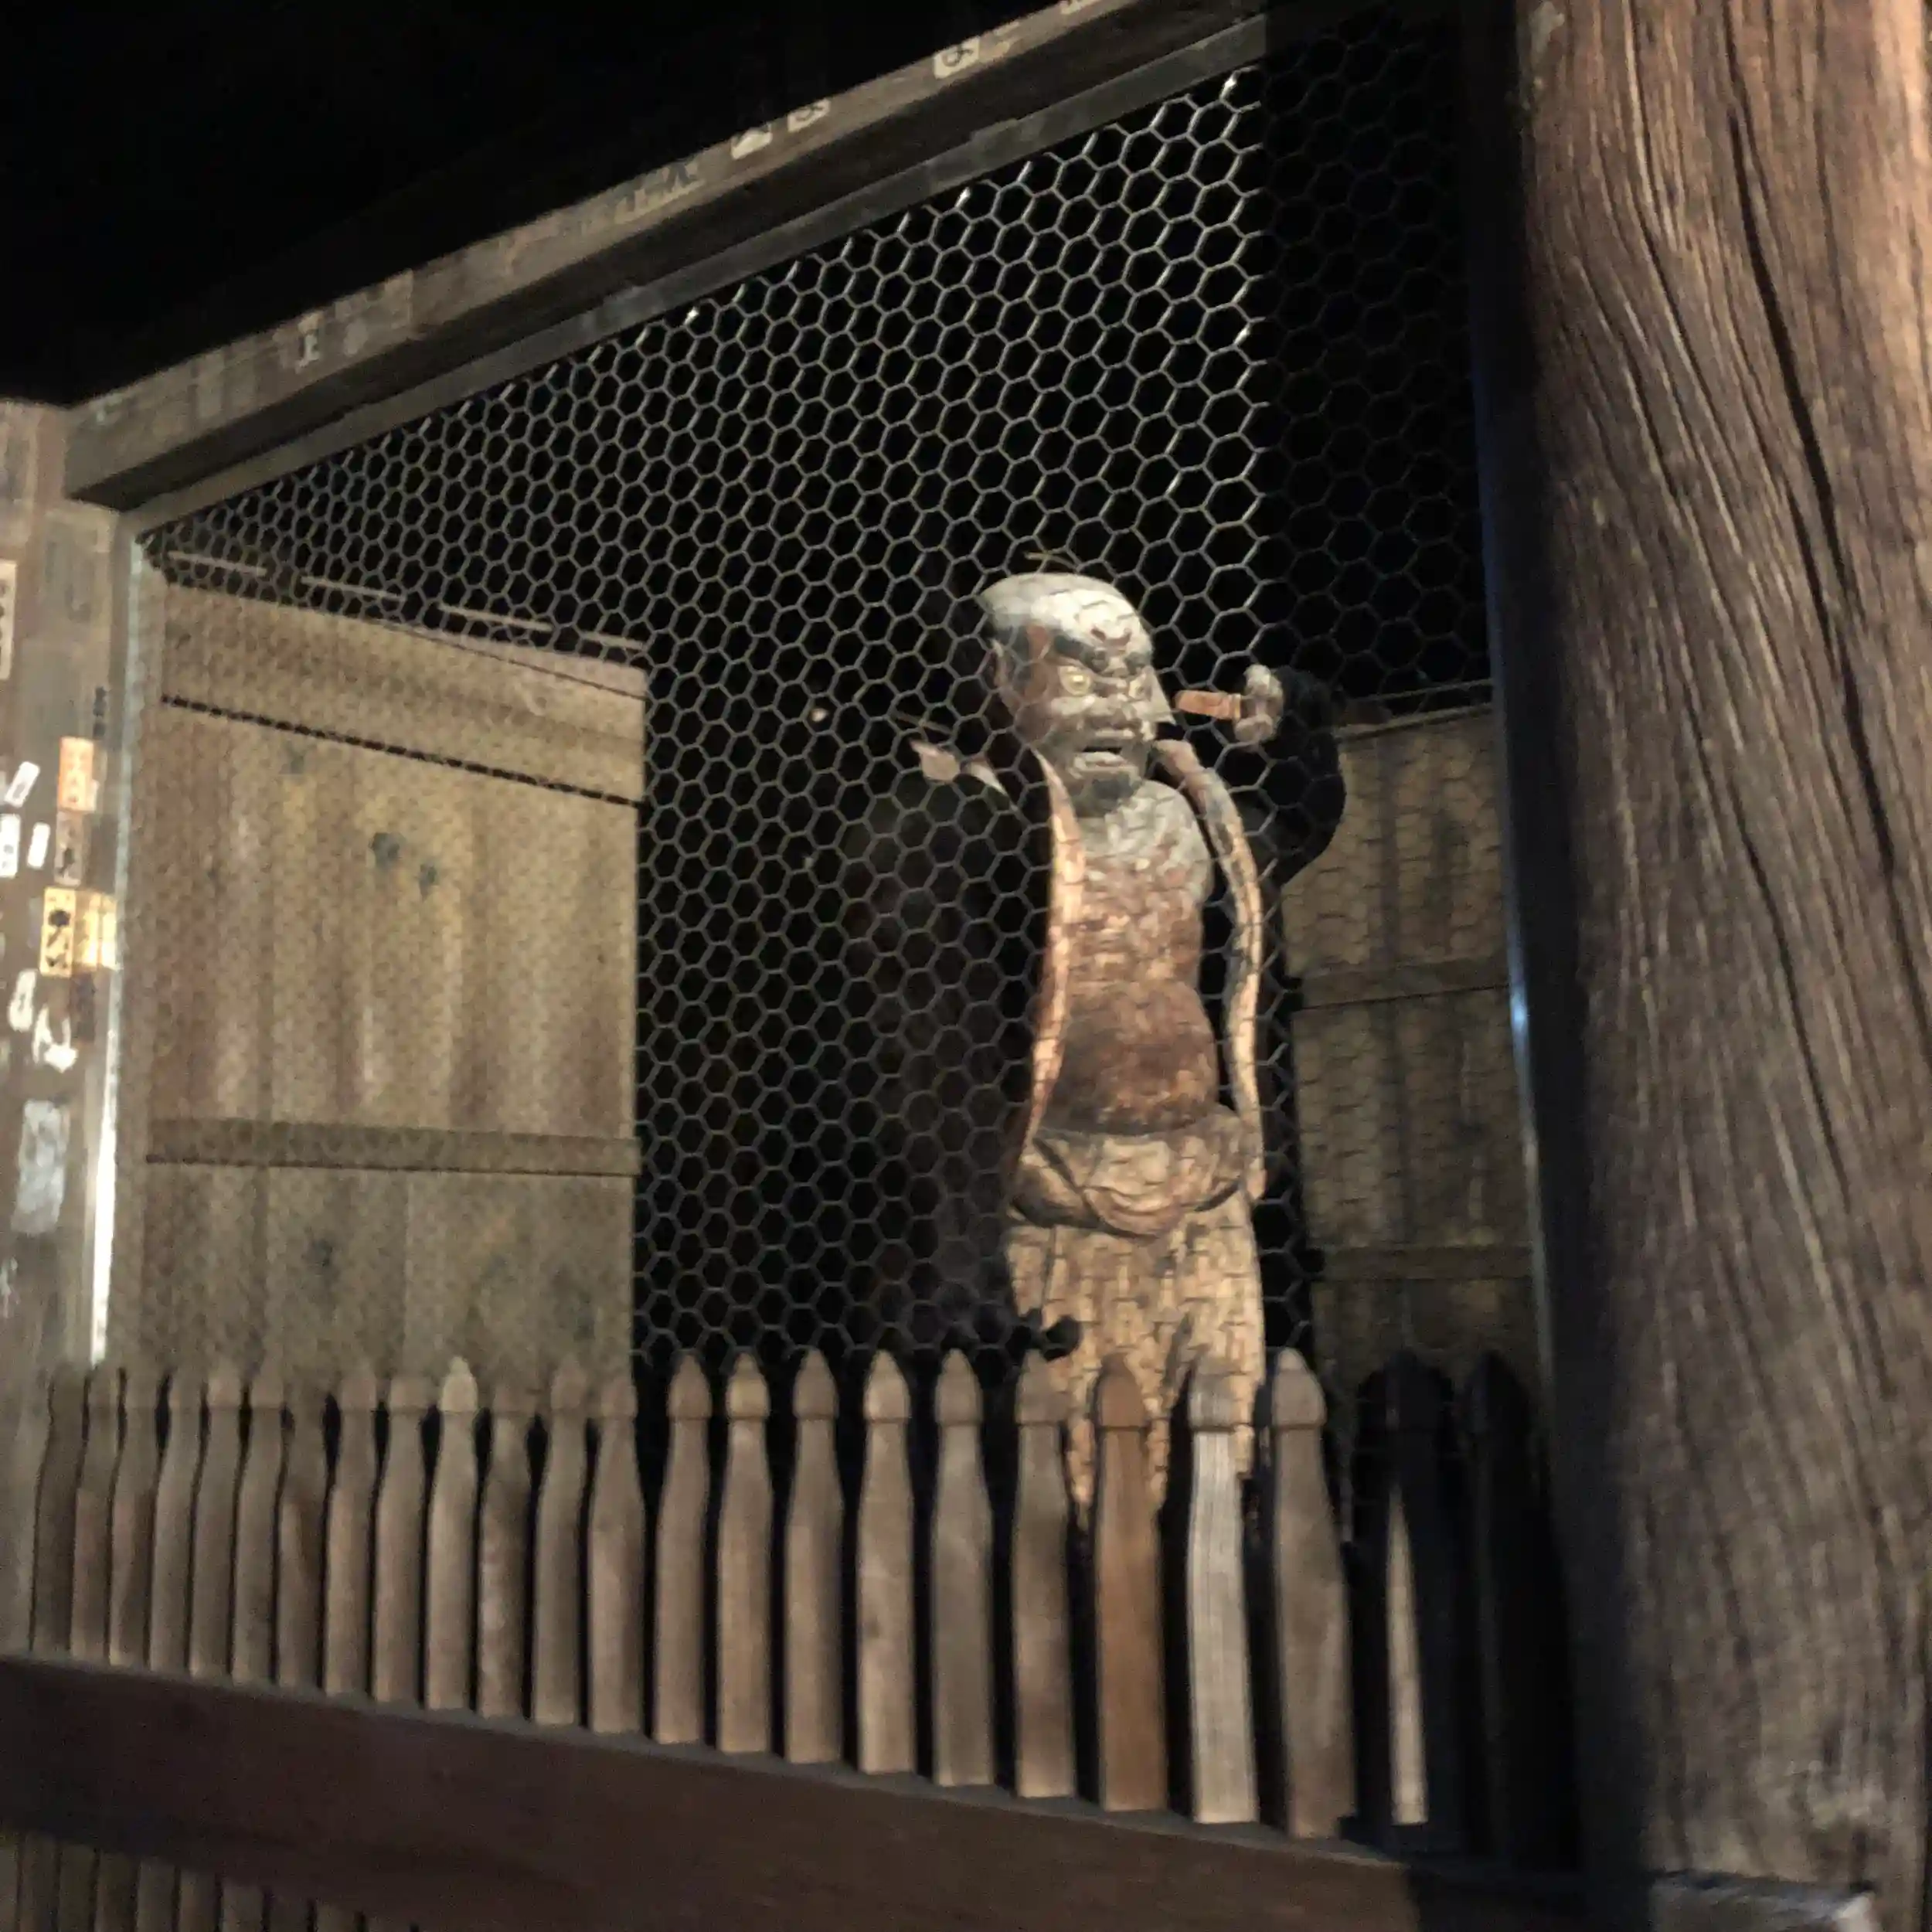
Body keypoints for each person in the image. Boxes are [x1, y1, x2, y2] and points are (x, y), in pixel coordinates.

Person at [846, 571, 1344, 1504]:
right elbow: (922, 1014)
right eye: (1079, 675)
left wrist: (1302, 730)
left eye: (1132, 675)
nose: (1117, 705)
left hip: (1200, 1195)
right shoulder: (962, 826)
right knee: (1071, 1469)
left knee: (1219, 1449)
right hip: (1047, 1201)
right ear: (992, 683)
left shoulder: (1184, 818)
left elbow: (1296, 826)